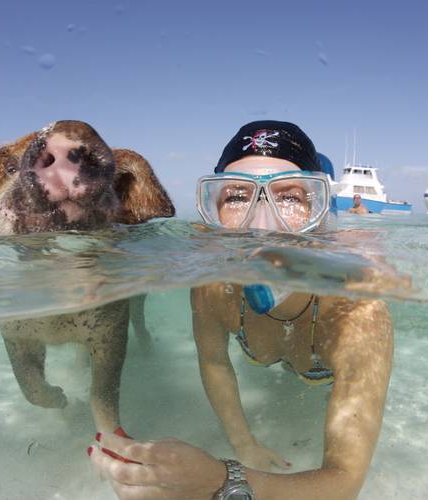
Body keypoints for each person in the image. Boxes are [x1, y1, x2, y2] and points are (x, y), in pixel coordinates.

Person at [89, 121, 394, 500]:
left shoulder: (358, 311)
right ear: (210, 210)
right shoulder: (214, 287)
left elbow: (345, 482)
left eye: (290, 197)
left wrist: (222, 481)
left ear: (321, 214)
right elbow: (215, 361)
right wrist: (243, 445)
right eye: (235, 197)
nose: (260, 227)